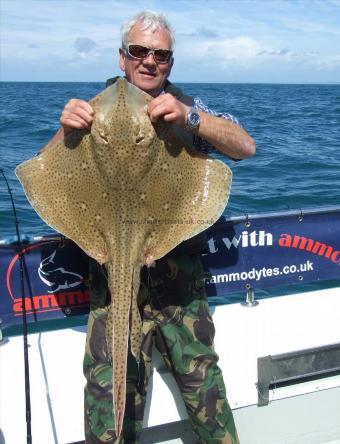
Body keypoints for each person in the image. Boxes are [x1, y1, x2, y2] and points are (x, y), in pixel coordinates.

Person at [42, 10, 255, 444]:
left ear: (170, 63)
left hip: (178, 282)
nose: (149, 61)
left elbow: (245, 146)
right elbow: (44, 171)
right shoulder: (92, 112)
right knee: (108, 390)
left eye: (160, 54)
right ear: (122, 58)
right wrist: (65, 131)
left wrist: (188, 118)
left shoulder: (184, 109)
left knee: (203, 388)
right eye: (139, 51)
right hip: (111, 273)